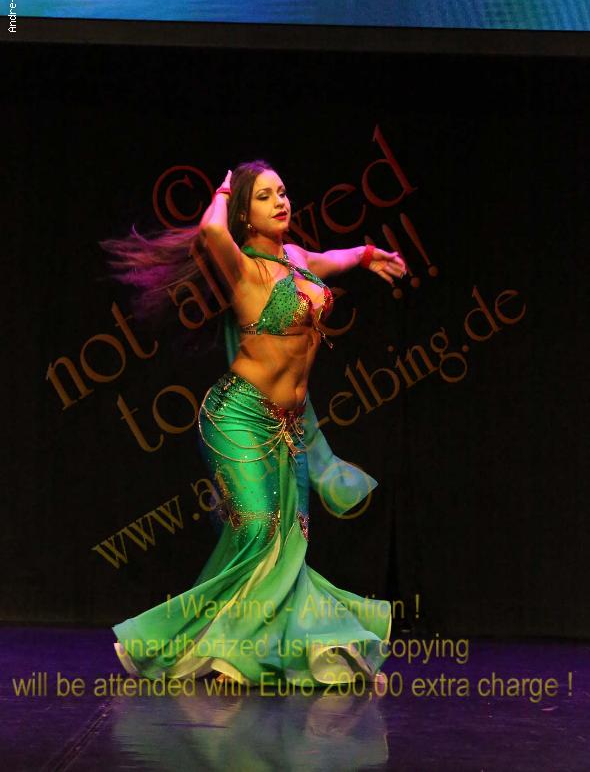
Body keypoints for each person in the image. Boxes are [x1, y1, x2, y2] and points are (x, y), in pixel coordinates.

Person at [103, 159, 407, 691]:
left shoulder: (296, 259)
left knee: (287, 544)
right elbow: (210, 231)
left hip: (287, 428)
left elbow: (330, 260)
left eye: (283, 192)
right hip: (235, 419)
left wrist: (365, 255)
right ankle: (223, 652)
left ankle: (247, 649)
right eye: (265, 196)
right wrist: (224, 191)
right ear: (245, 214)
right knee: (260, 532)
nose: (281, 202)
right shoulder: (242, 268)